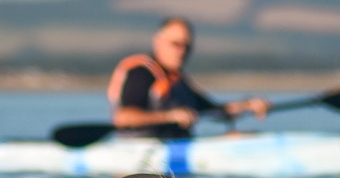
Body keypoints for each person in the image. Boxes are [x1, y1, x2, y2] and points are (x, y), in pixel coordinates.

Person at [107, 17, 270, 138]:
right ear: (158, 42)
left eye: (187, 45)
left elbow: (215, 111)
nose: (182, 51)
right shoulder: (141, 72)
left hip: (177, 144)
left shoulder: (177, 80)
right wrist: (170, 116)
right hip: (141, 150)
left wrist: (249, 105)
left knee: (241, 136)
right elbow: (123, 117)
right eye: (175, 44)